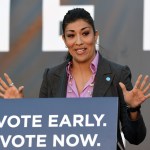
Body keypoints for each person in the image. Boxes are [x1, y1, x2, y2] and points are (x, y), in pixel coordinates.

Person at [0, 8, 150, 150]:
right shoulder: (51, 77)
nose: (79, 41)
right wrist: (17, 111)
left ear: (95, 35)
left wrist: (133, 109)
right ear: (64, 40)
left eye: (85, 33)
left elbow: (135, 138)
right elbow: (44, 134)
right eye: (71, 35)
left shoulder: (118, 74)